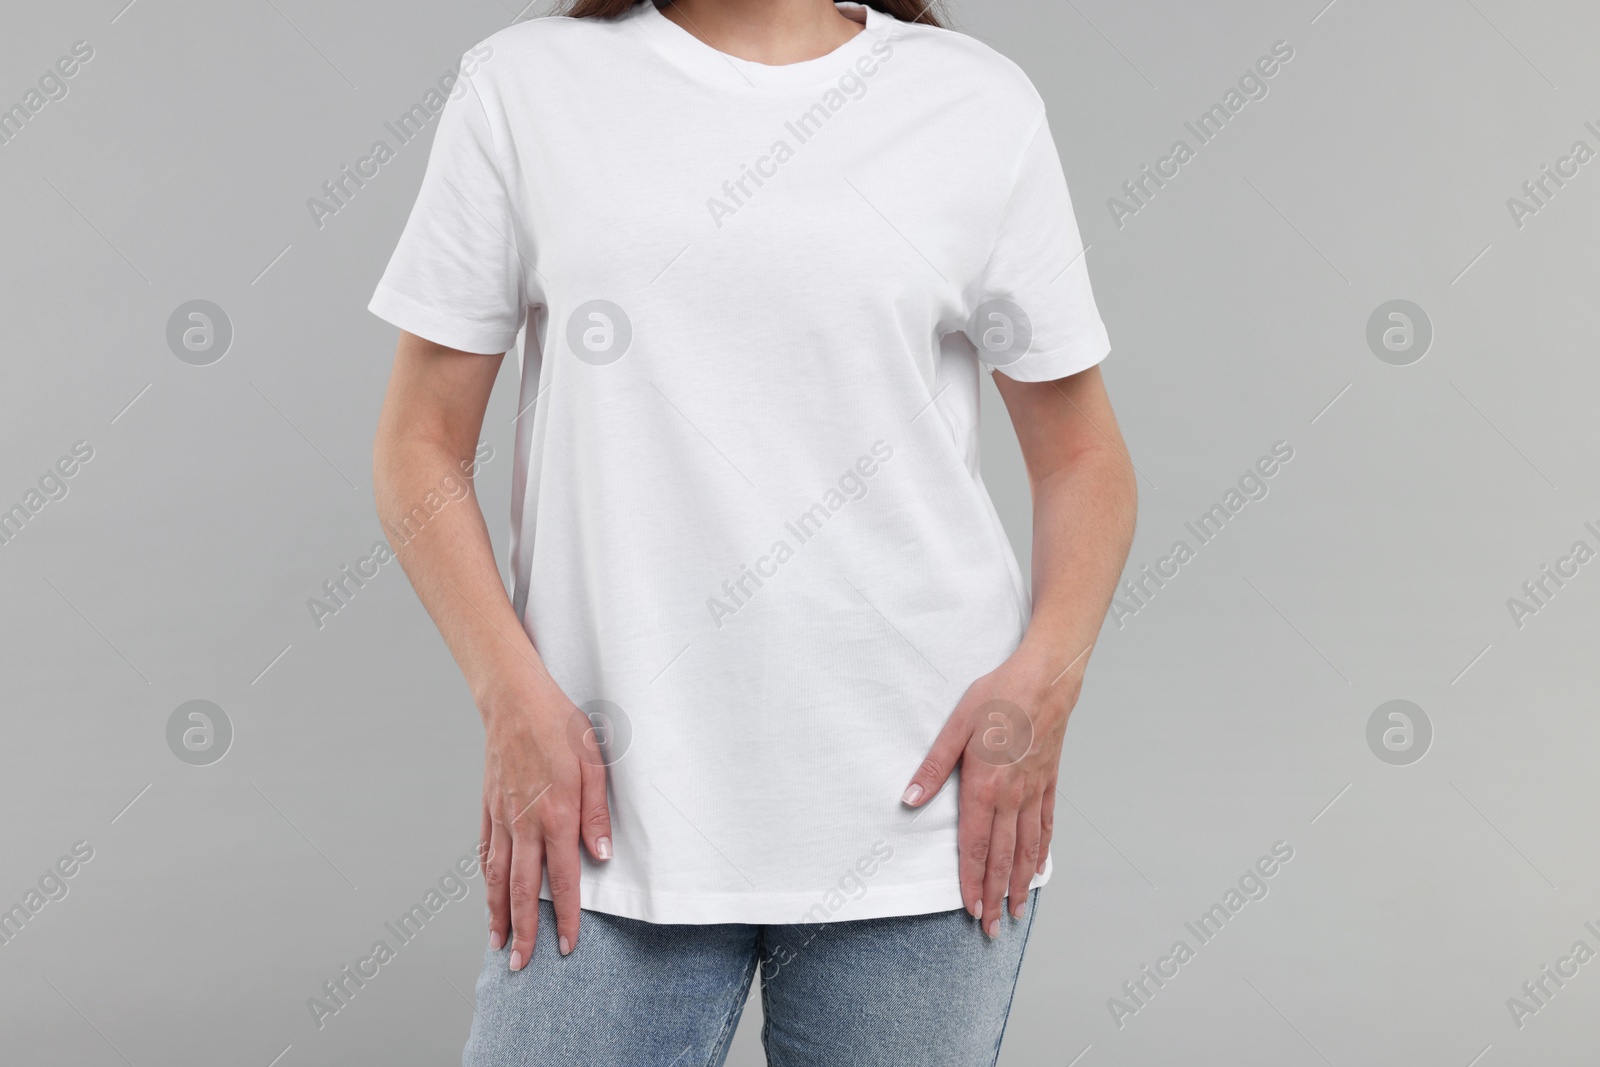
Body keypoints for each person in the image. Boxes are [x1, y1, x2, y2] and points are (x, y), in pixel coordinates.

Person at [369, 1, 1136, 1063]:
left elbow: (1083, 457)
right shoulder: (525, 89)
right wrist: (509, 697)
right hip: (601, 806)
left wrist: (1045, 681)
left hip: (918, 809)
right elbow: (419, 442)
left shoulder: (973, 102)